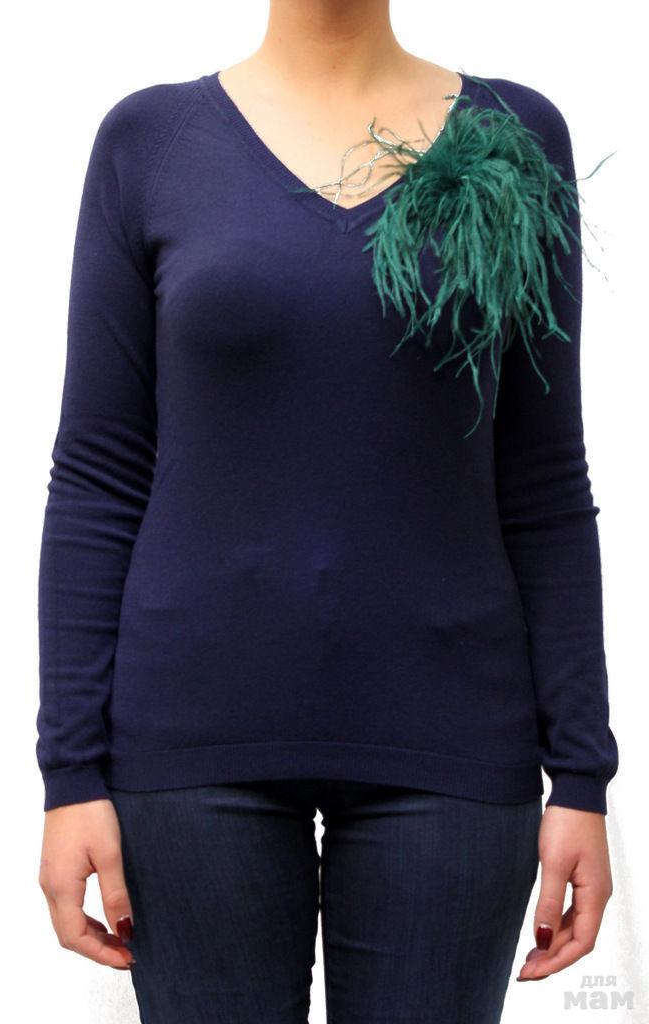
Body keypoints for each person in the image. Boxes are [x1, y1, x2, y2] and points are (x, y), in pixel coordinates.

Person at [36, 2, 618, 1021]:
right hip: (189, 745)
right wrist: (70, 771)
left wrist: (580, 775)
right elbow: (98, 473)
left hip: (452, 746)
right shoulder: (149, 142)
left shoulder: (516, 136)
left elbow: (543, 484)